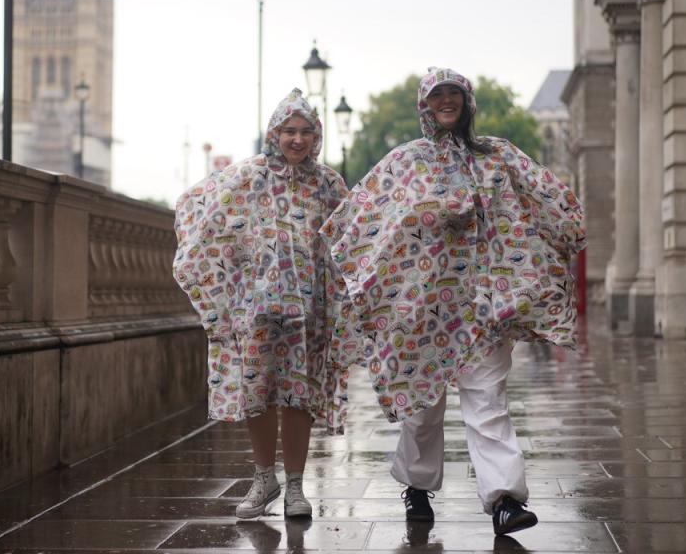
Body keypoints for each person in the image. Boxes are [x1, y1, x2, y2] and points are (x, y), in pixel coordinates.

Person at [322, 68, 586, 536]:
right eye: (438, 95)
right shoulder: (404, 163)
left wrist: (568, 230)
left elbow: (547, 196)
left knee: (489, 403)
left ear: (467, 101)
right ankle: (418, 487)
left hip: (483, 309)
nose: (447, 101)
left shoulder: (498, 155)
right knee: (423, 409)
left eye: (454, 94)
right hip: (421, 311)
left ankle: (505, 500)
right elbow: (362, 220)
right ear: (425, 104)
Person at [172, 89, 350, 519]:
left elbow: (346, 241)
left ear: (317, 135)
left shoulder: (328, 184)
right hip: (257, 309)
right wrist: (227, 280)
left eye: (306, 131)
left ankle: (294, 488)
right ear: (274, 133)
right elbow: (196, 206)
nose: (297, 139)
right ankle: (263, 477)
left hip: (308, 312)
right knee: (258, 393)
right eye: (289, 130)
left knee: (298, 398)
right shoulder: (249, 176)